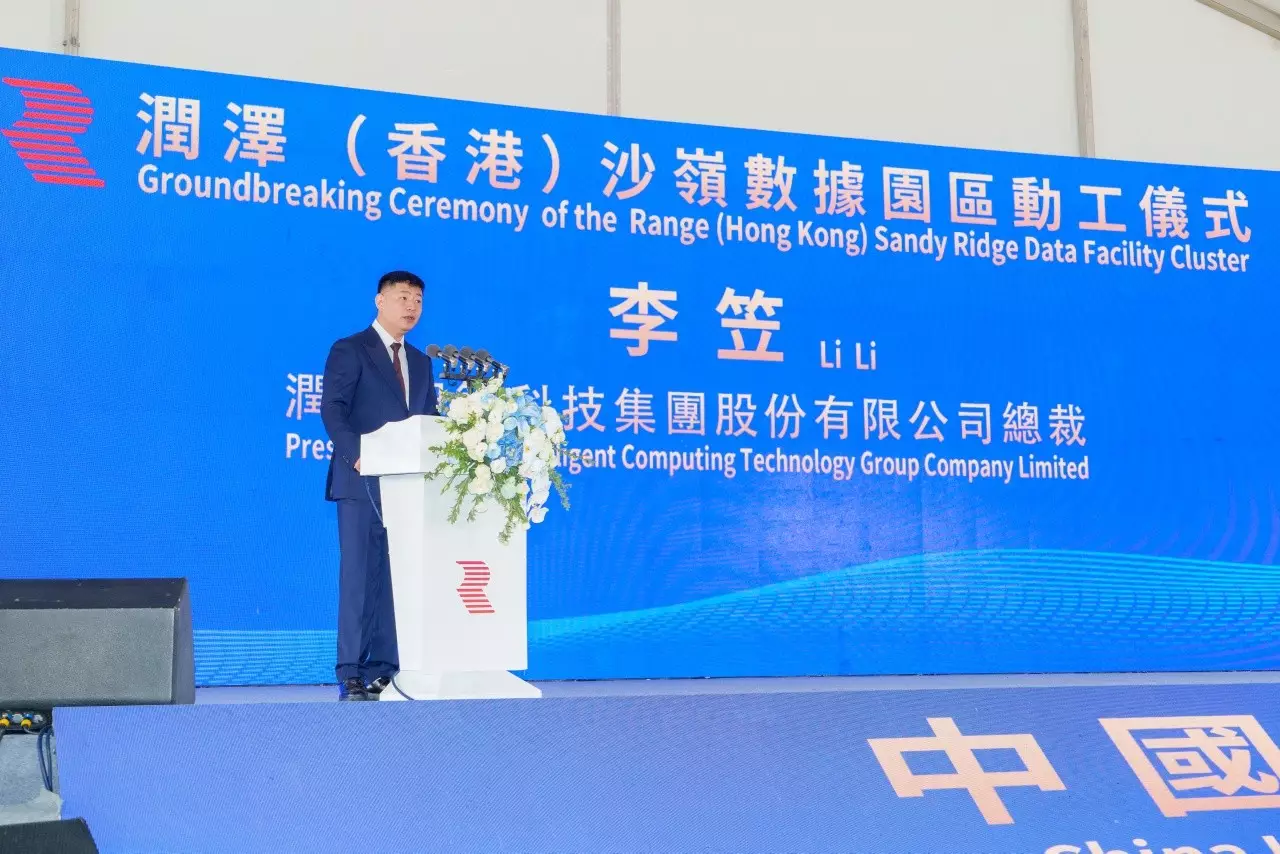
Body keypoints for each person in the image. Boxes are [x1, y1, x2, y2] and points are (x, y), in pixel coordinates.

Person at [320, 271, 438, 700]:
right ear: (380, 301)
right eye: (403, 297)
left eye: (418, 300)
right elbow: (333, 409)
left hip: (407, 489)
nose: (412, 307)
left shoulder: (421, 363)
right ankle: (350, 671)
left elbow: (428, 423)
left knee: (397, 580)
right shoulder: (351, 349)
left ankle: (384, 669)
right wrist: (359, 455)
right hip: (360, 482)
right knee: (358, 578)